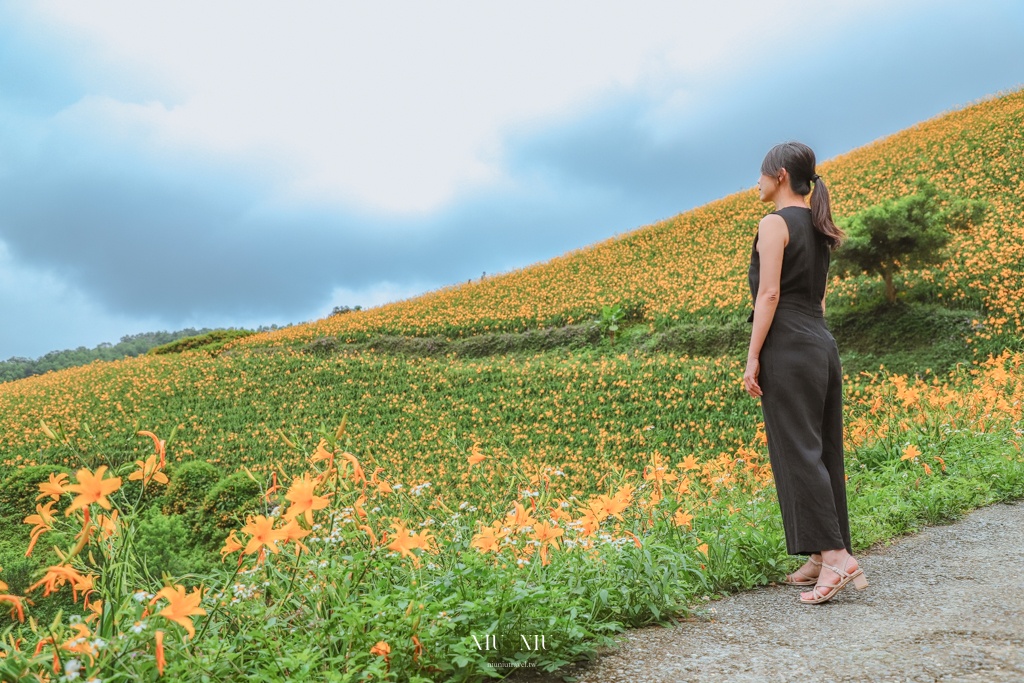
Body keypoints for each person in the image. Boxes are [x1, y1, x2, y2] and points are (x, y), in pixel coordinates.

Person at [743, 141, 868, 605]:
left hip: (788, 346)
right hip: (820, 343)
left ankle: (836, 557)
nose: (755, 184)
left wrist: (753, 355)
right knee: (822, 448)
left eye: (759, 175)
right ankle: (821, 554)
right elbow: (818, 300)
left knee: (797, 451)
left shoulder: (774, 223)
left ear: (778, 175)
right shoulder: (818, 225)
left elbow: (769, 295)